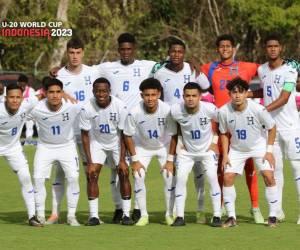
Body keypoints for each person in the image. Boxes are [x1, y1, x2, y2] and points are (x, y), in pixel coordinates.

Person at [201, 34, 264, 223]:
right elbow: (193, 80)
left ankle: (255, 208)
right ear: (217, 49)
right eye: (222, 46)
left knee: (250, 168)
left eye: (228, 46)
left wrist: (251, 94)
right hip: (221, 126)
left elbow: (270, 72)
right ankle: (220, 208)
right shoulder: (209, 68)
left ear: (233, 49)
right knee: (223, 168)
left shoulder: (247, 67)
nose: (225, 49)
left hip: (245, 125)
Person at [153, 37, 211, 223]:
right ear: (168, 53)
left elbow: (207, 88)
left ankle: (200, 210)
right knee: (175, 172)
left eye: (180, 52)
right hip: (171, 126)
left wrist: (199, 69)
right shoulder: (159, 72)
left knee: (199, 172)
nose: (176, 55)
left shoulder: (192, 69)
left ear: (184, 53)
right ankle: (174, 212)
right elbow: (154, 92)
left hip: (192, 124)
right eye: (173, 51)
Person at [248, 34, 300, 224]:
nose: (272, 49)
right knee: (275, 169)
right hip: (271, 128)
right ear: (265, 49)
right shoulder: (261, 70)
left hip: (291, 127)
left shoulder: (290, 70)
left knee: (297, 168)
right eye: (269, 46)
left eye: (276, 46)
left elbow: (285, 97)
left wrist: (262, 110)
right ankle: (276, 211)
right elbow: (266, 90)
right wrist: (248, 94)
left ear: (281, 48)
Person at [219, 77, 278, 227]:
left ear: (246, 93)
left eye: (241, 92)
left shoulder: (258, 109)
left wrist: (269, 151)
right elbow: (224, 133)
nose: (237, 95)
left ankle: (272, 216)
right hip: (237, 149)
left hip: (259, 147)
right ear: (229, 94)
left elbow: (272, 127)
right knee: (227, 177)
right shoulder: (223, 111)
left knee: (268, 176)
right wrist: (225, 155)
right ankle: (231, 217)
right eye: (234, 92)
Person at [79, 77, 133, 226]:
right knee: (91, 174)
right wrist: (89, 162)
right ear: (93, 91)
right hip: (97, 143)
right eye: (97, 91)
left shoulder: (120, 107)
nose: (100, 94)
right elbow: (85, 135)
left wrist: (122, 160)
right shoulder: (86, 107)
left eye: (104, 91)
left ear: (109, 91)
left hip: (116, 143)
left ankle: (126, 214)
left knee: (123, 173)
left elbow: (123, 134)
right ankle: (94, 216)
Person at [123, 78, 177, 226]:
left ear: (159, 94)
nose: (150, 98)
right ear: (141, 96)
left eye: (153, 95)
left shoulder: (167, 110)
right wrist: (134, 160)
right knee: (138, 175)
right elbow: (127, 135)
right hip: (142, 147)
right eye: (147, 95)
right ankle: (144, 215)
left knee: (169, 176)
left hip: (163, 146)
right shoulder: (134, 112)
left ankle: (169, 214)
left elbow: (174, 135)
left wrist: (170, 160)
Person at [30, 78, 81, 226]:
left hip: (67, 147)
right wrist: (37, 97)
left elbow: (92, 109)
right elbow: (20, 107)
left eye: (58, 92)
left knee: (73, 178)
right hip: (45, 148)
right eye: (51, 92)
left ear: (62, 93)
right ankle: (40, 216)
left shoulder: (72, 106)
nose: (55, 95)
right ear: (45, 93)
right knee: (38, 179)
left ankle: (71, 216)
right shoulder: (36, 108)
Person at [170, 82, 221, 227]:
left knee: (212, 178)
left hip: (206, 151)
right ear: (183, 96)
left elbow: (221, 123)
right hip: (187, 153)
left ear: (200, 97)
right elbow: (175, 128)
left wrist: (214, 141)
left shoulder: (210, 108)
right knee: (180, 179)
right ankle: (180, 216)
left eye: (194, 96)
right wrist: (180, 142)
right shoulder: (175, 110)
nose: (190, 99)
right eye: (187, 96)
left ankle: (216, 216)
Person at [0, 83, 42, 226]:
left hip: (13, 148)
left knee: (26, 178)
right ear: (6, 98)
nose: (15, 100)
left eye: (18, 97)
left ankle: (32, 216)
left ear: (23, 98)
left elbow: (42, 93)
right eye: (11, 97)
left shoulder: (27, 104)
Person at [18, 74, 36, 144]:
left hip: (29, 114)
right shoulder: (15, 90)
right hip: (18, 114)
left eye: (23, 85)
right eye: (20, 85)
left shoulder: (31, 91)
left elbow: (33, 103)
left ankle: (28, 142)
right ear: (18, 83)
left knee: (29, 127)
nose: (22, 87)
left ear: (26, 84)